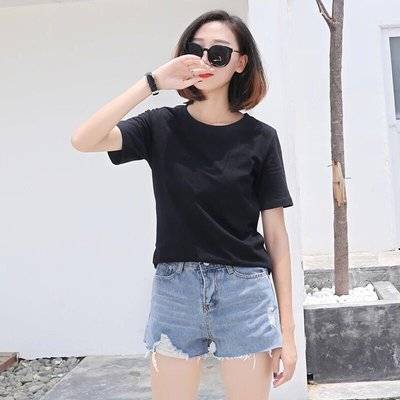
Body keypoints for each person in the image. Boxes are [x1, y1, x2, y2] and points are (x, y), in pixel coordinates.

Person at [71, 9, 297, 400]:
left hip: (244, 290)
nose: (205, 61)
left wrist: (287, 334)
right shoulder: (161, 126)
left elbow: (276, 237)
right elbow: (83, 140)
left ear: (241, 62)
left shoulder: (261, 139)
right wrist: (152, 82)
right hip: (176, 290)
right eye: (196, 50)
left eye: (219, 53)